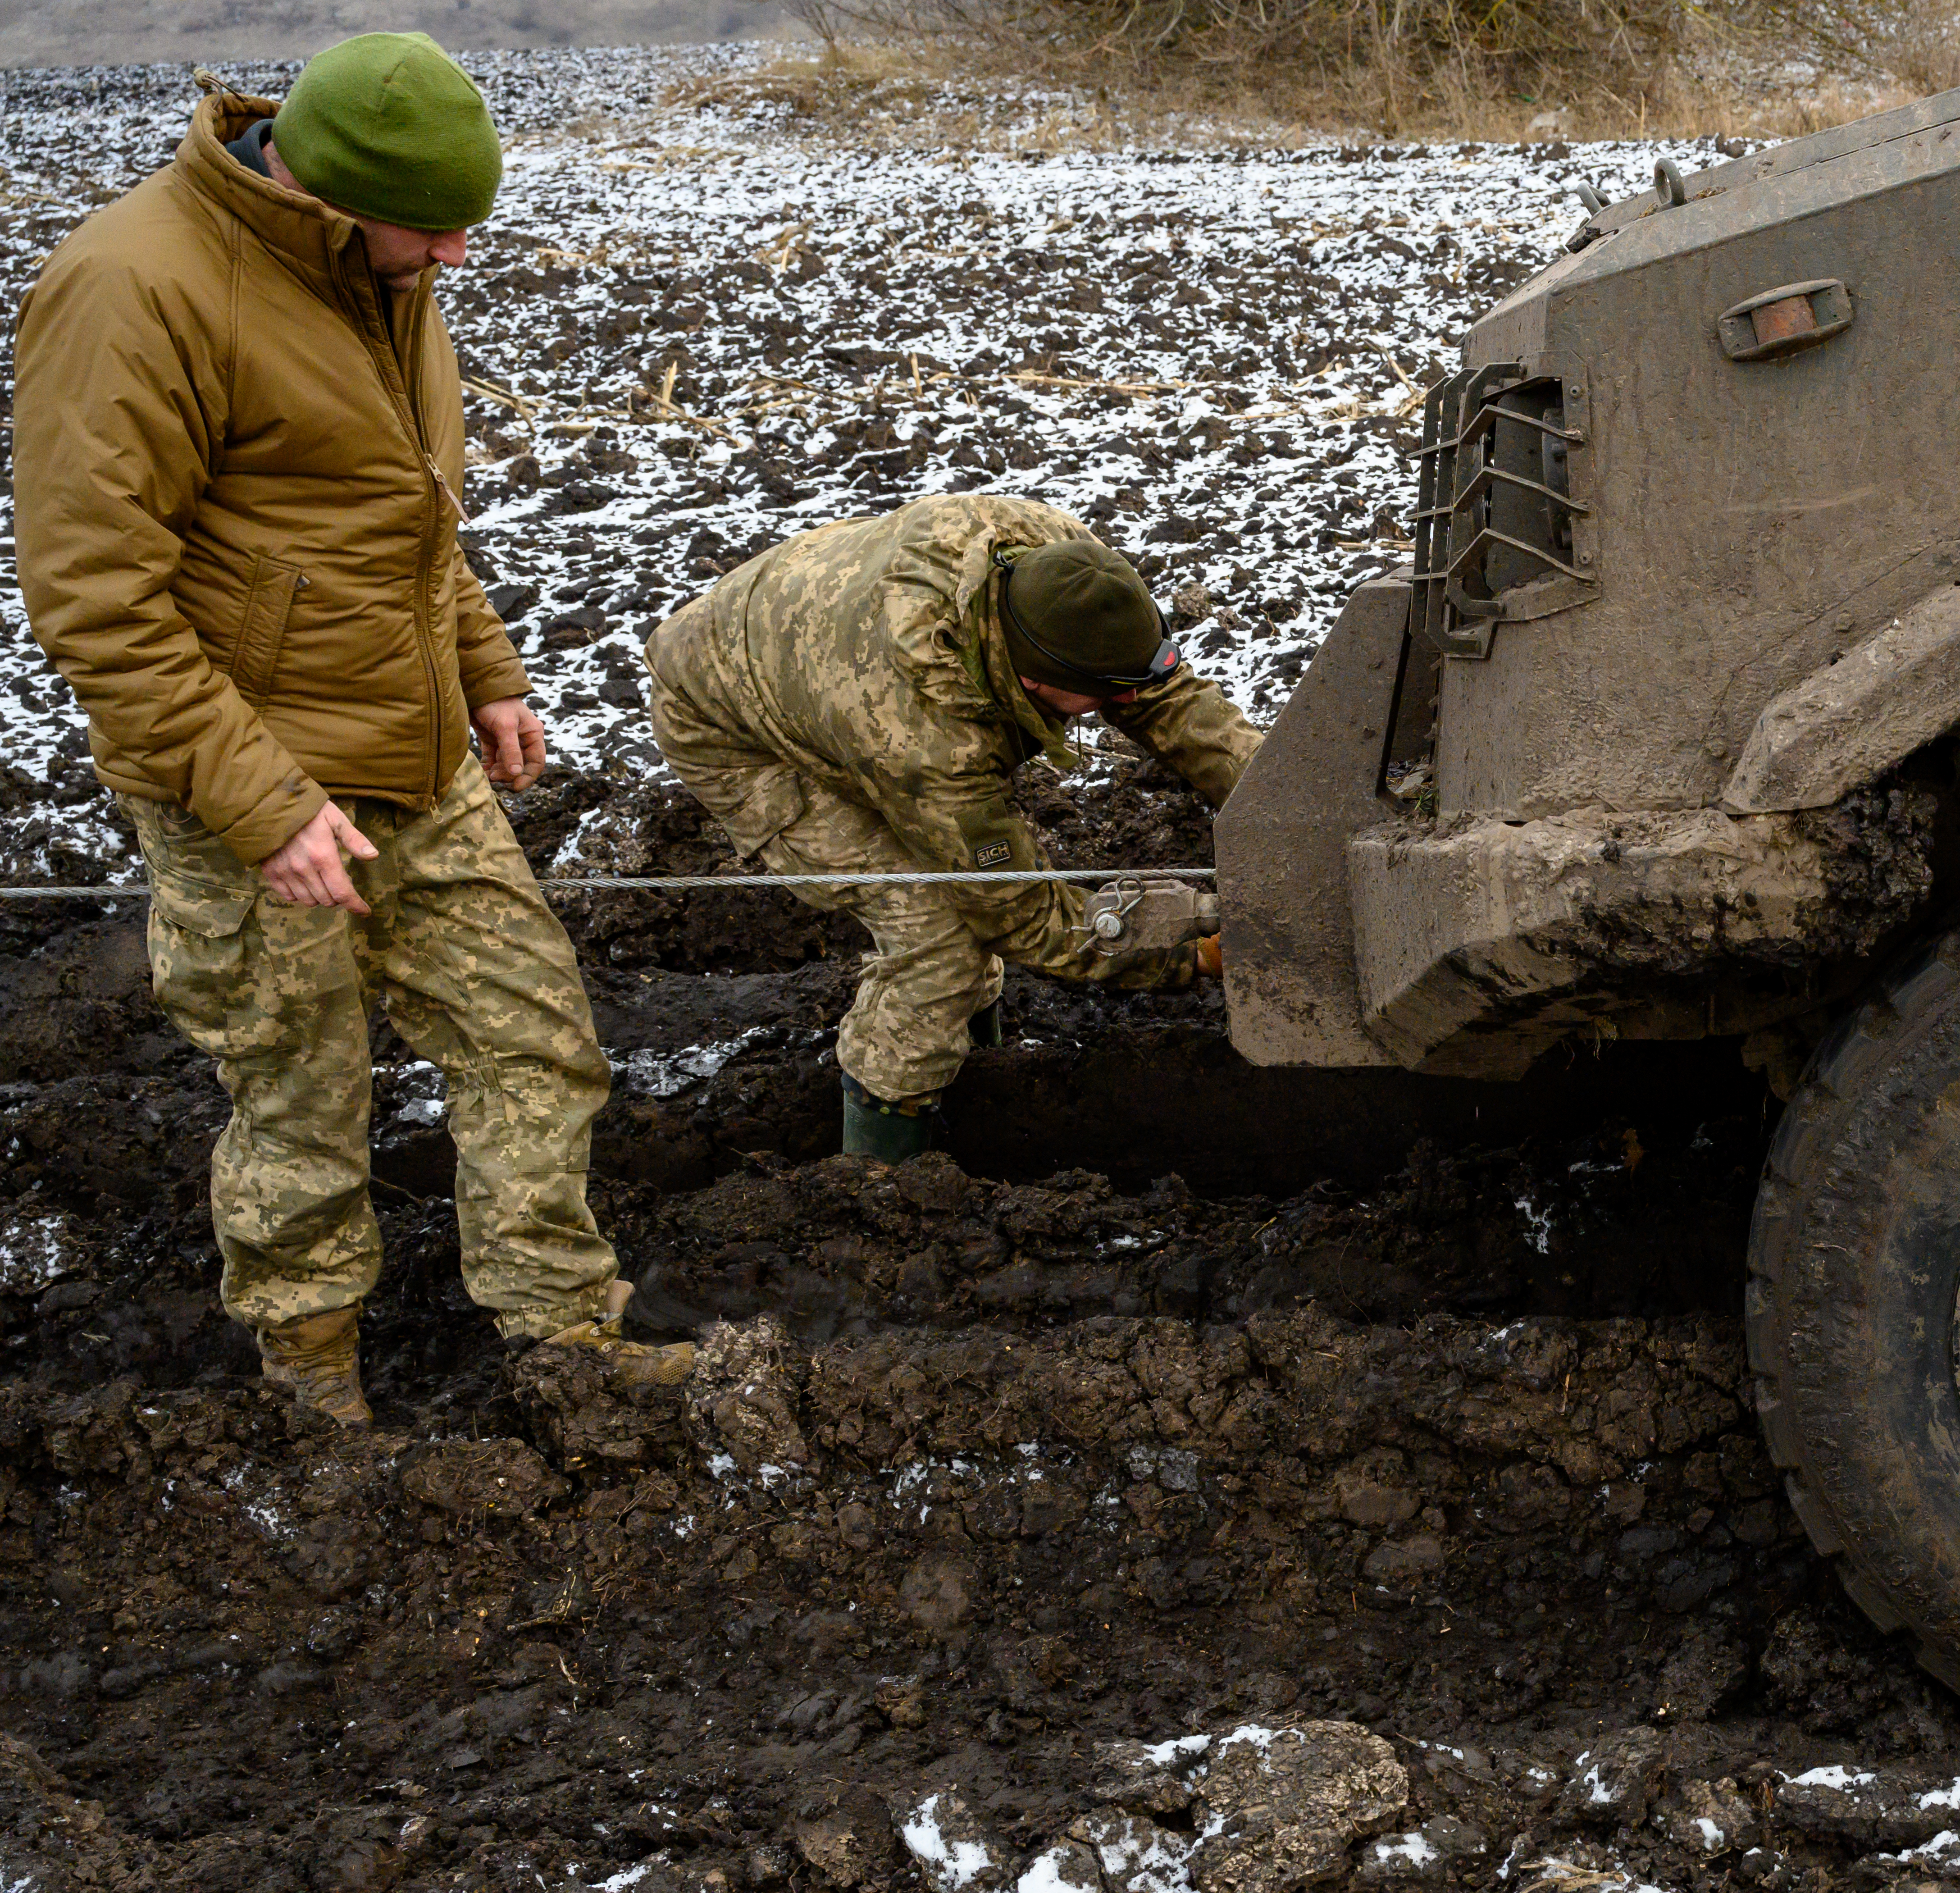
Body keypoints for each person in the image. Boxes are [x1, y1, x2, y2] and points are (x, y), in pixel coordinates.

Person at [11, 35, 689, 1428]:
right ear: (327, 192)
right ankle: (312, 1382)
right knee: (302, 1098)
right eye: (432, 226)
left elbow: (397, 516)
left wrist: (487, 670)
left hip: (415, 756)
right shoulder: (135, 287)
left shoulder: (373, 270)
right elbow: (95, 601)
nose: (454, 256)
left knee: (535, 1038)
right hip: (243, 780)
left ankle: (562, 1339)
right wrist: (259, 805)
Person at [640, 494, 1261, 1160]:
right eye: (1106, 694)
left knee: (963, 899)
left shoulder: (1064, 567)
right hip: (731, 723)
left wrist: (1291, 801)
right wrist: (1186, 957)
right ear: (1034, 680)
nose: (1127, 704)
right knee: (939, 940)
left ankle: (979, 1093)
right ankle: (879, 1184)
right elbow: (1017, 915)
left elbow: (1164, 696)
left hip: (814, 651)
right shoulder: (930, 741)